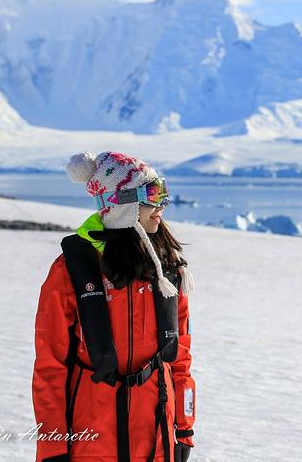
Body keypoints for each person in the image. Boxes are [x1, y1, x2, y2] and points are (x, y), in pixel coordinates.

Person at [31, 151, 196, 462]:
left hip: (156, 438)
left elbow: (180, 358)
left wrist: (185, 427)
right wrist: (52, 447)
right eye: (151, 194)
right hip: (91, 440)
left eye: (162, 192)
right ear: (123, 204)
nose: (160, 205)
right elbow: (50, 367)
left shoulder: (167, 269)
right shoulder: (73, 270)